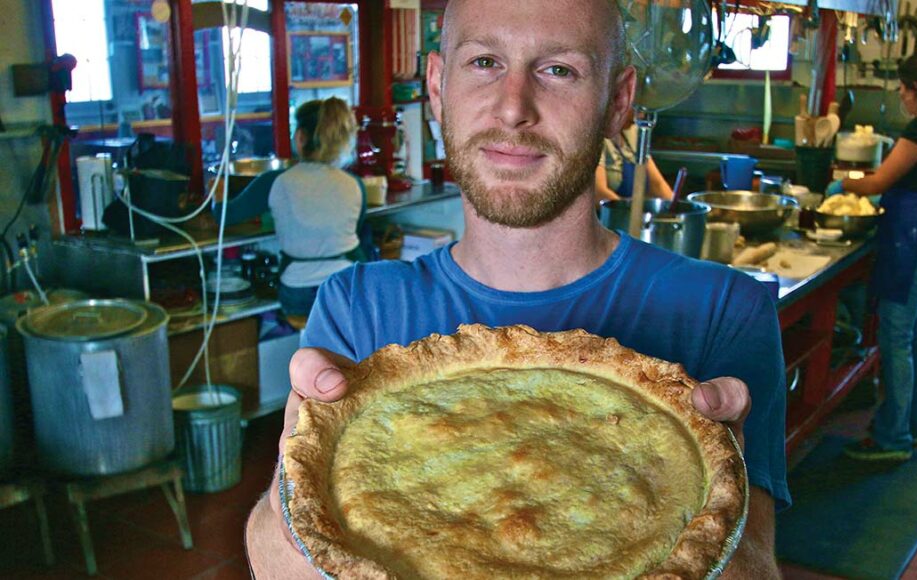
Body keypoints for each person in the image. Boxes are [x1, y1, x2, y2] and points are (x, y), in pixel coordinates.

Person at [244, 1, 788, 577]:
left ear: (619, 101)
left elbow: (752, 563)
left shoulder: (725, 310)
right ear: (436, 83)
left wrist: (716, 490)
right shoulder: (357, 305)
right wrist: (292, 486)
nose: (513, 108)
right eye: (484, 61)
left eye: (559, 70)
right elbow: (280, 566)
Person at [825, 50, 917, 461]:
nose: (901, 96)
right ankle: (912, 425)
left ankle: (893, 439)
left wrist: (843, 184)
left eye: (903, 89)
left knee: (897, 338)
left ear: (916, 89)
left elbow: (879, 182)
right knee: (914, 334)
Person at [212, 97, 365, 317]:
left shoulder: (276, 181)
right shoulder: (354, 184)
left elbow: (224, 216)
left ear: (300, 137)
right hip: (348, 289)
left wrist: (217, 195)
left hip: (297, 293)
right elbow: (356, 230)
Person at [595, 118, 675, 202]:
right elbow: (598, 193)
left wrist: (673, 208)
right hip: (610, 214)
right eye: (634, 107)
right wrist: (631, 212)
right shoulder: (597, 135)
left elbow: (657, 185)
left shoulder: (634, 130)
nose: (640, 115)